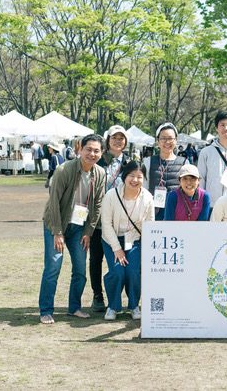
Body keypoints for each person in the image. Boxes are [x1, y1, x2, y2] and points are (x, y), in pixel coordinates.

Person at [38, 134, 106, 324]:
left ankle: (74, 307)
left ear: (101, 153)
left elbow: (98, 204)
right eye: (88, 149)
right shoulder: (64, 170)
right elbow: (53, 203)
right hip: (56, 223)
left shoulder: (100, 173)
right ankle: (46, 310)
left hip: (79, 227)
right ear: (80, 149)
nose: (92, 154)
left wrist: (88, 232)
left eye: (96, 151)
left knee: (80, 269)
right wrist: (57, 232)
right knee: (53, 267)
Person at [100, 160, 154, 321]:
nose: (135, 180)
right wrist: (117, 248)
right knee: (117, 272)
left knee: (133, 272)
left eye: (139, 176)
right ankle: (113, 306)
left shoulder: (147, 197)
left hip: (135, 240)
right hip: (112, 239)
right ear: (124, 176)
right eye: (131, 175)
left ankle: (134, 305)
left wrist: (146, 250)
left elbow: (149, 225)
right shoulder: (111, 195)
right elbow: (106, 224)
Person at [88, 125, 130, 313]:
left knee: (121, 261)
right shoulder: (98, 161)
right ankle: (97, 296)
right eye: (114, 138)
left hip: (122, 221)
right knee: (96, 259)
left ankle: (120, 297)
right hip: (98, 219)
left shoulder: (130, 163)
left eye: (122, 138)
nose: (118, 141)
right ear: (108, 140)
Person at [143, 123, 187, 220]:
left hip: (177, 212)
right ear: (158, 140)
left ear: (176, 140)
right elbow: (144, 189)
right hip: (153, 213)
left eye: (170, 138)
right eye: (163, 138)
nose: (167, 142)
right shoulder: (148, 162)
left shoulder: (184, 162)